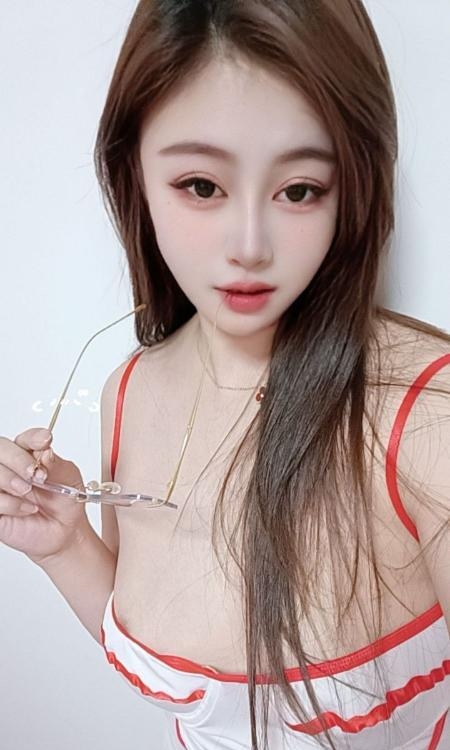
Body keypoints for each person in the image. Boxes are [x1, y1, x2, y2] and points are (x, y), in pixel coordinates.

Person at [0, 1, 449, 748]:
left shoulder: (425, 413)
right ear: (134, 173)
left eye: (299, 189)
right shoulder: (127, 392)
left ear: (352, 186)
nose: (250, 245)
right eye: (202, 186)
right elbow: (197, 695)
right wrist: (64, 546)